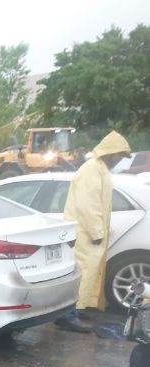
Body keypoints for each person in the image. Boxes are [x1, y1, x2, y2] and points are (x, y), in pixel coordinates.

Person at [54, 131, 132, 333]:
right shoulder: (91, 170)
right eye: (119, 156)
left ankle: (76, 310)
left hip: (89, 235)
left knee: (85, 276)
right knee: (80, 275)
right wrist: (98, 232)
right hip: (86, 234)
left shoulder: (99, 169)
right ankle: (67, 315)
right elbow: (88, 206)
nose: (119, 160)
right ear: (111, 152)